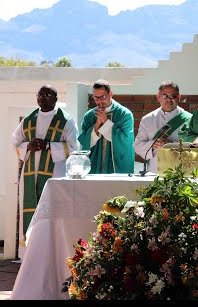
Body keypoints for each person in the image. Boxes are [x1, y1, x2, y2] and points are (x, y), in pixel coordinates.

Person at [12, 85, 79, 261]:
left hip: (55, 174)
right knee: (31, 209)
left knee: (52, 211)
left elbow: (74, 147)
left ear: (55, 98)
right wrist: (28, 146)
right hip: (30, 174)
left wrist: (48, 145)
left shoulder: (66, 120)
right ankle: (28, 255)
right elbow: (15, 142)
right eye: (40, 95)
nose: (43, 97)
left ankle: (52, 255)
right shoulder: (28, 119)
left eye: (47, 94)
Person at [134, 80, 192, 173]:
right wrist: (153, 145)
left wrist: (172, 144)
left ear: (179, 97)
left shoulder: (190, 119)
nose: (169, 99)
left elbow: (194, 146)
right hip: (155, 170)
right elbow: (137, 146)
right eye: (165, 96)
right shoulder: (148, 119)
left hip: (181, 171)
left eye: (173, 96)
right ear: (158, 97)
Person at [78, 79, 134, 174]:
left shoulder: (124, 114)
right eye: (96, 98)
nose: (99, 101)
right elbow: (85, 143)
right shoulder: (89, 116)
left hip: (116, 168)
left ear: (111, 94)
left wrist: (105, 121)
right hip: (95, 165)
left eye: (102, 97)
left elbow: (125, 141)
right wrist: (96, 126)